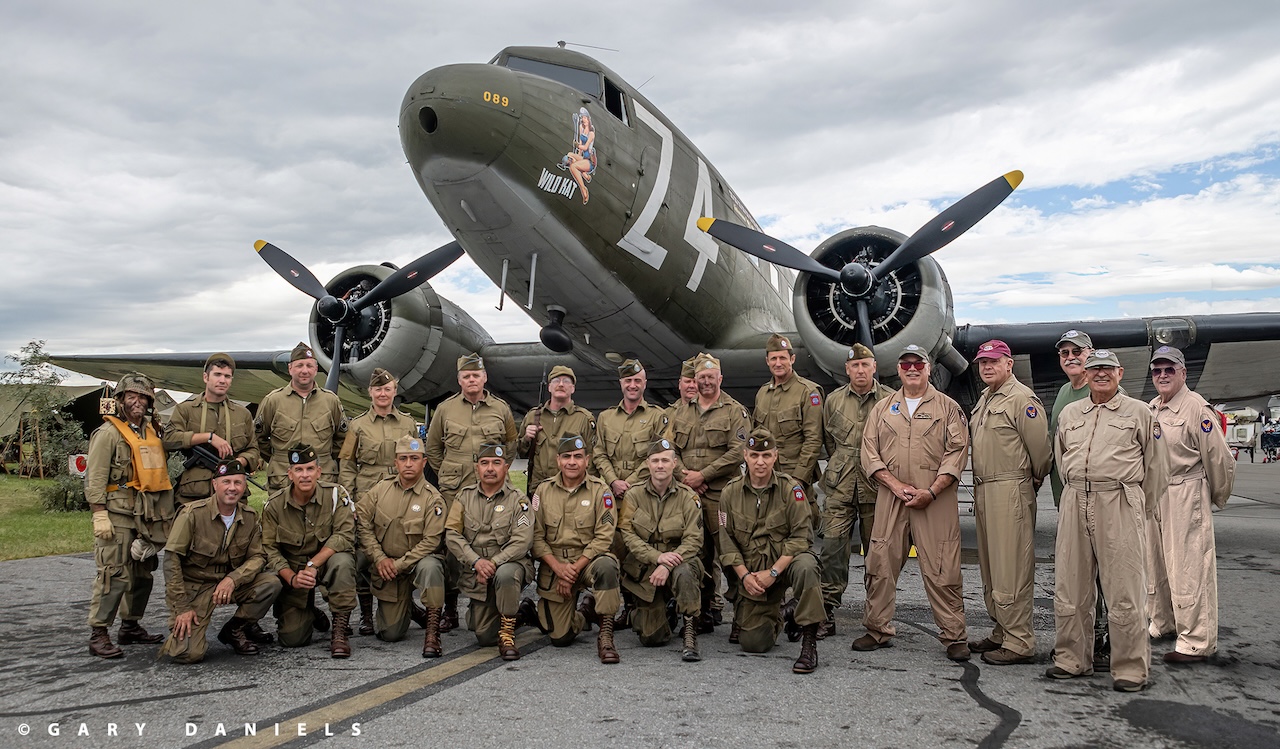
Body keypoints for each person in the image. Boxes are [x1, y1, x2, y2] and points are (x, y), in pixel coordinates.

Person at [1049, 349, 1168, 692]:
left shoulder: (1140, 412)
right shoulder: (1071, 413)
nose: (1100, 374)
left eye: (1107, 369)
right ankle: (1072, 659)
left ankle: (1130, 667)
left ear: (1120, 373)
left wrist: (1137, 507)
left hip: (1118, 500)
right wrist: (1075, 491)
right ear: (1085, 375)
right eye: (1094, 369)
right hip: (1076, 498)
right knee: (1070, 585)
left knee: (1124, 587)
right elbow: (1061, 457)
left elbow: (1157, 467)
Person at [853, 345, 971, 662]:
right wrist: (895, 485)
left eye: (918, 363)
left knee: (943, 568)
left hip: (935, 499)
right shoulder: (882, 409)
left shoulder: (948, 408)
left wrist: (931, 491)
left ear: (929, 368)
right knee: (880, 564)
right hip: (892, 498)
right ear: (899, 370)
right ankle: (877, 629)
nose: (912, 369)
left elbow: (957, 453)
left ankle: (954, 635)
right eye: (906, 364)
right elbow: (869, 453)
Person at [1145, 345, 1235, 664]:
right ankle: (1164, 621)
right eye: (1157, 370)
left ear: (1183, 373)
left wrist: (1213, 497)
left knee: (1188, 565)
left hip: (1185, 489)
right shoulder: (1153, 407)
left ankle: (1196, 641)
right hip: (1157, 492)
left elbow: (1220, 460)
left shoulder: (1196, 408)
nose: (1163, 375)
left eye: (1169, 369)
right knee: (1156, 564)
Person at [966, 340, 1052, 665]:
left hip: (1009, 488)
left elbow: (1041, 452)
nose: (987, 367)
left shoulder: (1021, 399)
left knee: (1011, 566)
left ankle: (1019, 641)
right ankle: (1002, 630)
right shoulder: (986, 398)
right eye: (982, 362)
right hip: (985, 488)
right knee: (992, 566)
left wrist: (1031, 479)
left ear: (1009, 364)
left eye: (993, 361)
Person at [425, 352, 518, 632]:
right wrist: (448, 473)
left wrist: (495, 474)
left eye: (476, 375)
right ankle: (451, 607)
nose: (471, 380)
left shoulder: (500, 409)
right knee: (453, 547)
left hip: (491, 491)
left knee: (491, 539)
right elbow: (433, 448)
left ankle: (489, 601)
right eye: (466, 376)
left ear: (484, 377)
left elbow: (510, 445)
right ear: (459, 380)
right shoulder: (445, 409)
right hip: (455, 491)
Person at [85, 372, 176, 658]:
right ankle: (99, 633)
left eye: (143, 397)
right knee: (113, 574)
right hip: (118, 514)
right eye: (131, 396)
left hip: (147, 515)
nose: (137, 402)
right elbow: (95, 477)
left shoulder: (151, 432)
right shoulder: (108, 434)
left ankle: (130, 626)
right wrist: (99, 513)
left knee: (142, 574)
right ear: (121, 399)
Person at [719, 429, 824, 673]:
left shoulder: (791, 490)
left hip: (785, 565)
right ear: (745, 456)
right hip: (754, 571)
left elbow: (802, 537)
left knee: (807, 566)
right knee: (754, 643)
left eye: (766, 455)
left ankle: (809, 645)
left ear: (775, 456)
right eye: (755, 455)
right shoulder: (730, 493)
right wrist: (745, 577)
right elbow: (727, 542)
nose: (760, 462)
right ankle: (785, 613)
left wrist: (774, 572)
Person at [159, 460, 281, 663]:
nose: (232, 488)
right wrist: (182, 608)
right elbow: (171, 562)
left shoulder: (249, 517)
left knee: (271, 583)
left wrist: (233, 579)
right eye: (226, 482)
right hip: (195, 587)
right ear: (215, 484)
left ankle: (235, 629)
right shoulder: (192, 514)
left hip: (229, 583)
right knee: (187, 653)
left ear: (244, 486)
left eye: (238, 483)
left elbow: (258, 556)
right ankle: (191, 634)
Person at [665, 352, 750, 632]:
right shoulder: (681, 412)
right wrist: (685, 476)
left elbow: (738, 452)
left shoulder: (734, 411)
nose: (706, 382)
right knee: (696, 554)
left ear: (720, 379)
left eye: (711, 377)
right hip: (689, 496)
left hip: (721, 496)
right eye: (701, 377)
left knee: (730, 554)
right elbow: (669, 449)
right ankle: (701, 612)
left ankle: (742, 615)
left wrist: (703, 475)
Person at [817, 343, 894, 638]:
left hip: (877, 487)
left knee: (878, 554)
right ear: (847, 370)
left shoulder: (890, 400)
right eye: (855, 366)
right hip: (840, 486)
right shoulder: (834, 400)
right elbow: (830, 442)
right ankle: (826, 611)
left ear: (874, 367)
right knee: (832, 549)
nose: (860, 370)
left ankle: (877, 617)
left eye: (865, 365)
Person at [1049, 329, 1114, 668]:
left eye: (1078, 351)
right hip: (1069, 496)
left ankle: (1107, 639)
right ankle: (1084, 639)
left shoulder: (1103, 391)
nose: (1071, 357)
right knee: (1079, 572)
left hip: (1103, 499)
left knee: (1107, 572)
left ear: (1091, 355)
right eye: (1065, 353)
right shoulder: (1064, 392)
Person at [338, 367, 419, 635]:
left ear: (394, 391)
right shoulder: (357, 425)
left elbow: (415, 460)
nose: (382, 394)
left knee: (400, 549)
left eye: (387, 389)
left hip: (400, 496)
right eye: (377, 389)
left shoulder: (408, 424)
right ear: (370, 392)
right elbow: (347, 465)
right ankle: (365, 615)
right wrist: (349, 501)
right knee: (364, 555)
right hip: (368, 497)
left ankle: (403, 604)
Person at [530, 435, 623, 663]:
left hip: (588, 563)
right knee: (559, 637)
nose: (572, 462)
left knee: (607, 565)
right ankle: (585, 613)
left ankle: (606, 635)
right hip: (556, 565)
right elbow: (536, 537)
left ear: (587, 460)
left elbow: (604, 537)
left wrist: (572, 570)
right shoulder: (543, 491)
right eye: (567, 457)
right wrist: (559, 569)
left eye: (578, 457)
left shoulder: (601, 491)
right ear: (558, 460)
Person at [593, 358, 670, 628]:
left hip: (642, 496)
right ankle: (619, 607)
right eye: (628, 381)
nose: (633, 385)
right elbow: (599, 453)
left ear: (645, 384)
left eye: (638, 380)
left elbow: (658, 455)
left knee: (641, 549)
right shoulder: (605, 418)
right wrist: (614, 481)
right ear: (621, 384)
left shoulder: (658, 416)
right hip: (613, 497)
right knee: (614, 549)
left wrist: (630, 483)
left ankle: (643, 605)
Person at [260, 444, 358, 658]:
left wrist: (313, 565)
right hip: (295, 574)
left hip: (324, 565)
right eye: (299, 470)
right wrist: (292, 578)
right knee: (292, 639)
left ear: (319, 472)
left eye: (310, 469)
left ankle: (340, 630)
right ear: (290, 474)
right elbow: (269, 550)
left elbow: (344, 535)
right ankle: (310, 611)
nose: (305, 475)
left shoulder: (335, 495)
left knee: (342, 561)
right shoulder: (274, 506)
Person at [355, 436, 449, 657]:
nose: (408, 464)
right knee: (390, 633)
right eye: (403, 458)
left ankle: (432, 633)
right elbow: (362, 520)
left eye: (414, 458)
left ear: (424, 462)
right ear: (395, 462)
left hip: (415, 565)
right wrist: (379, 558)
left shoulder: (433, 499)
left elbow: (431, 542)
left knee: (431, 566)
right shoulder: (380, 489)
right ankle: (406, 607)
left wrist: (398, 565)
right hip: (387, 567)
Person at [445, 444, 535, 660]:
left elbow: (522, 542)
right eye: (484, 463)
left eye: (496, 463)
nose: (490, 468)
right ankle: (523, 613)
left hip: (510, 566)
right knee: (484, 635)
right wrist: (476, 562)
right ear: (477, 467)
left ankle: (507, 635)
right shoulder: (464, 497)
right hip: (478, 572)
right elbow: (452, 534)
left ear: (506, 467)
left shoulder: (519, 500)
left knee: (506, 574)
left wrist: (493, 563)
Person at [618, 438, 704, 661]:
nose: (660, 465)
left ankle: (690, 631)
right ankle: (667, 612)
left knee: (685, 572)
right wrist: (657, 557)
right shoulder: (633, 495)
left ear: (674, 464)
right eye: (655, 460)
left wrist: (666, 564)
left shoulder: (688, 496)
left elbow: (694, 539)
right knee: (651, 637)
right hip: (647, 568)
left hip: (679, 563)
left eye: (665, 460)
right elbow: (628, 534)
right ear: (647, 464)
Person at [164, 353, 261, 504]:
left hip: (232, 493)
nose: (222, 380)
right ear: (206, 377)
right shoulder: (186, 410)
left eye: (227, 376)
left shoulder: (242, 414)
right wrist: (208, 437)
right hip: (193, 494)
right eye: (217, 374)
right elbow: (169, 439)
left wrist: (240, 462)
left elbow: (253, 449)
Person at [752, 333, 824, 526]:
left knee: (800, 528)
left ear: (792, 359)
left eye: (783, 358)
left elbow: (813, 439)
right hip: (767, 477)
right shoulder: (762, 394)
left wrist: (799, 478)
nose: (778, 363)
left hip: (794, 475)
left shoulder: (808, 392)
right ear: (767, 361)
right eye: (774, 358)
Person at [255, 343, 347, 491]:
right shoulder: (273, 401)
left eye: (309, 366)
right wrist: (279, 460)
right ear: (290, 368)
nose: (305, 371)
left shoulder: (331, 401)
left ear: (316, 369)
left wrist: (324, 460)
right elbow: (258, 438)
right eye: (299, 366)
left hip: (322, 480)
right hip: (283, 481)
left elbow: (342, 439)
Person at [518, 364, 596, 491]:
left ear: (573, 388)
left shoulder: (584, 419)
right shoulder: (534, 416)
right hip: (539, 489)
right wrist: (527, 438)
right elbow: (520, 452)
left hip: (571, 490)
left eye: (566, 381)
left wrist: (587, 490)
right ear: (549, 387)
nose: (560, 384)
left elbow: (591, 460)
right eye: (556, 380)